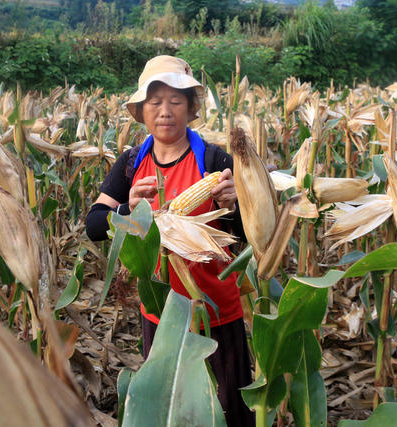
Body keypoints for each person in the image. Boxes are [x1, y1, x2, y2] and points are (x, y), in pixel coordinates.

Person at [85, 55, 254, 427]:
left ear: (192, 109)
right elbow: (95, 224)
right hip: (159, 311)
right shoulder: (130, 163)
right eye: (155, 102)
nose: (165, 111)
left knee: (226, 410)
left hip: (215, 313)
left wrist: (234, 203)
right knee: (169, 410)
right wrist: (129, 213)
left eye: (176, 101)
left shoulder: (213, 159)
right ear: (142, 111)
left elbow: (247, 234)